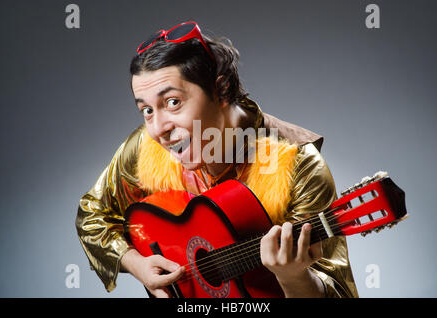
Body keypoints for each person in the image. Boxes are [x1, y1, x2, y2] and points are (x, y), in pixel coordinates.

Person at [76, 21, 358, 298]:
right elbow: (93, 213)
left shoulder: (298, 166)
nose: (158, 128)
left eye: (173, 102)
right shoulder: (147, 147)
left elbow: (339, 292)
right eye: (147, 110)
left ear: (221, 90)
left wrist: (295, 278)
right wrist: (137, 264)